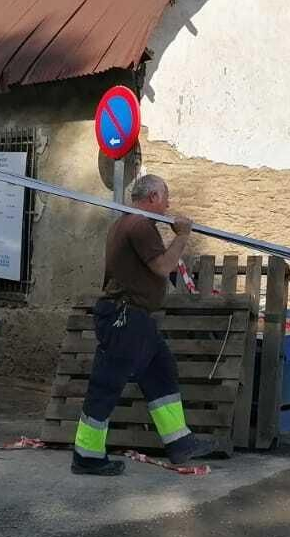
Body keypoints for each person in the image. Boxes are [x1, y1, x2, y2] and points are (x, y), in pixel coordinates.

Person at [71, 174, 217, 477]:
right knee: (107, 384)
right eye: (166, 198)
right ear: (151, 197)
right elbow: (163, 267)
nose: (168, 205)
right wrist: (182, 236)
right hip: (125, 318)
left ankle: (180, 443)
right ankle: (86, 455)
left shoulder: (126, 223)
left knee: (162, 372)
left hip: (136, 319)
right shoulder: (140, 225)